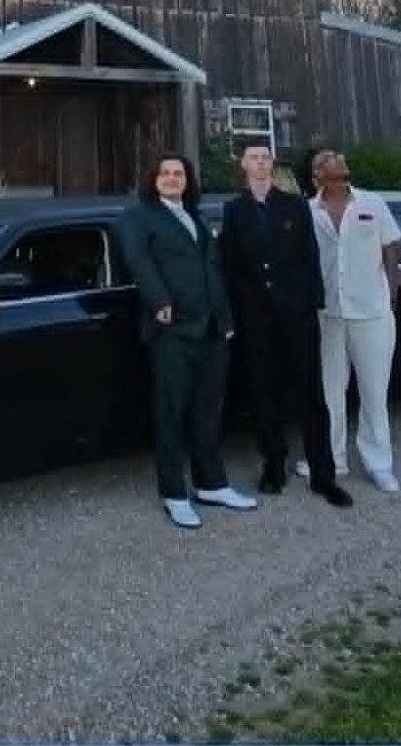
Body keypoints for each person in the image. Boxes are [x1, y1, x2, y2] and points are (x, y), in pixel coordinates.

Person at [112, 152, 260, 530]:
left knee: (209, 410)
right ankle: (174, 493)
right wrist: (159, 300)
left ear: (188, 180)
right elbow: (137, 258)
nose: (173, 178)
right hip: (172, 329)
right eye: (165, 173)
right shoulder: (139, 215)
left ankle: (212, 483)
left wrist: (226, 319)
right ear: (153, 178)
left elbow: (213, 267)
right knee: (171, 412)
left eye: (179, 173)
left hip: (212, 328)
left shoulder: (195, 216)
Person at [218, 140, 354, 508]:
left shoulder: (293, 205)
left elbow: (310, 256)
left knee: (312, 395)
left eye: (265, 158)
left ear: (271, 165)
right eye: (253, 159)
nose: (261, 164)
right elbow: (229, 266)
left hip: (297, 316)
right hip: (257, 319)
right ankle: (273, 466)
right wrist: (235, 314)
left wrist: (312, 304)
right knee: (264, 395)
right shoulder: (233, 211)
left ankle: (324, 476)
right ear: (243, 166)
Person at [306, 148, 401, 493]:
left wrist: (391, 294)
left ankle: (380, 463)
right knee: (330, 391)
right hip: (328, 314)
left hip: (371, 311)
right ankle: (332, 458)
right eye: (323, 163)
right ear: (316, 175)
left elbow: (392, 246)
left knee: (374, 391)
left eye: (335, 161)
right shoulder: (309, 211)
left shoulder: (372, 203)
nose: (331, 167)